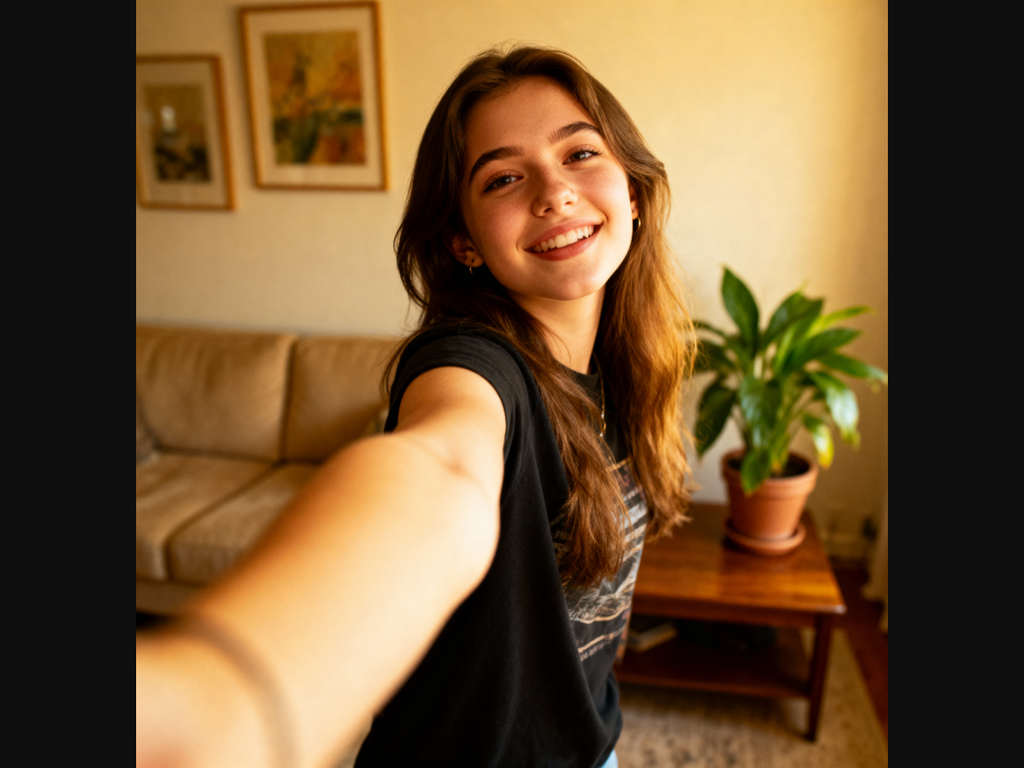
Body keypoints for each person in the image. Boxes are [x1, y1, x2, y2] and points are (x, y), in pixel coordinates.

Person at [136, 45, 694, 768]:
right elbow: (440, 469)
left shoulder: (624, 368)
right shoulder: (471, 365)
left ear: (635, 191)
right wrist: (232, 694)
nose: (554, 192)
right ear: (463, 242)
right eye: (503, 178)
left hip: (594, 744)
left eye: (580, 153)